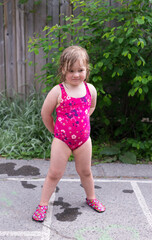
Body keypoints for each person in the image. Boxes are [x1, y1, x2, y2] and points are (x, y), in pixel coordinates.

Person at [32, 45, 106, 222]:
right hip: (62, 140)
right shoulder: (58, 91)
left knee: (86, 171)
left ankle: (91, 198)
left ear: (86, 69)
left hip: (83, 140)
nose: (76, 74)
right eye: (71, 70)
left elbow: (92, 106)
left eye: (80, 70)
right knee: (54, 173)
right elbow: (45, 113)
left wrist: (84, 120)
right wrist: (55, 132)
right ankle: (43, 204)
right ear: (63, 70)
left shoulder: (90, 89)